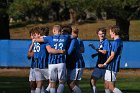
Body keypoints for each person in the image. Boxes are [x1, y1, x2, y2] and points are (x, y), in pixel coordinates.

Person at [34, 25, 70, 93]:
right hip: (61, 62)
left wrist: (40, 36)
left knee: (52, 83)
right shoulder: (66, 37)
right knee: (61, 82)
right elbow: (73, 37)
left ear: (54, 30)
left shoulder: (49, 38)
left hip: (52, 63)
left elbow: (37, 40)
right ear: (60, 31)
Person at [98, 25, 123, 93]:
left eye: (110, 32)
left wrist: (104, 64)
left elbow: (112, 56)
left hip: (112, 66)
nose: (109, 34)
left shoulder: (116, 42)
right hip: (110, 66)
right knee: (106, 85)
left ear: (114, 32)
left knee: (111, 87)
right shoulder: (119, 41)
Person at [89, 27, 111, 93]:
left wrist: (95, 48)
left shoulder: (106, 41)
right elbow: (101, 52)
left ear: (105, 34)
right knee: (92, 80)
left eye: (103, 33)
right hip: (99, 64)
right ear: (98, 34)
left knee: (107, 84)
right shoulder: (101, 42)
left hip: (104, 65)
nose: (101, 35)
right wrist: (96, 54)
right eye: (100, 34)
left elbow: (104, 52)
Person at [66, 26, 85, 93]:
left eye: (76, 33)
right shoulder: (68, 39)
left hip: (77, 63)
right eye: (74, 32)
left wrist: (75, 49)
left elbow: (82, 50)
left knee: (72, 84)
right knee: (70, 83)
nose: (76, 34)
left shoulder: (77, 40)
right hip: (71, 64)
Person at [27, 28, 36, 93]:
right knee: (32, 84)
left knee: (40, 84)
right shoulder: (31, 45)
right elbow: (29, 56)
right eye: (32, 35)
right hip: (33, 66)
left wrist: (33, 53)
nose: (33, 36)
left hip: (42, 66)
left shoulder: (42, 43)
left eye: (34, 35)